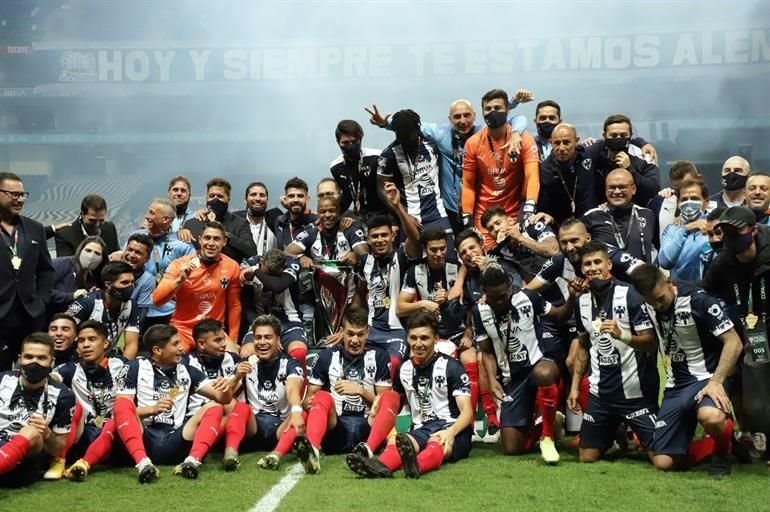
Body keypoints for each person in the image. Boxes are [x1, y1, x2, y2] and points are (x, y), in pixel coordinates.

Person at [631, 264, 742, 477]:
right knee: (663, 462)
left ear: (670, 283)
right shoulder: (648, 306)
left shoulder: (699, 300)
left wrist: (717, 381)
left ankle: (722, 452)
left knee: (710, 416)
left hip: (708, 378)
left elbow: (734, 342)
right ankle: (723, 440)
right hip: (676, 386)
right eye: (651, 301)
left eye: (660, 298)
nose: (658, 304)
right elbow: (652, 342)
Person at [368, 93, 529, 234]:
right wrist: (385, 123)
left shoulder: (484, 133)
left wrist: (515, 132)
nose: (463, 121)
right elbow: (410, 125)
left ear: (474, 116)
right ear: (449, 119)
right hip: (450, 209)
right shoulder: (441, 134)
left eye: (467, 115)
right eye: (457, 117)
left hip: (479, 206)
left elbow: (518, 118)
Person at [346, 312, 473, 479]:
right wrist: (380, 401)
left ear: (435, 339)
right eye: (413, 338)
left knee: (436, 442)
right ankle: (379, 466)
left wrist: (451, 432)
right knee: (396, 439)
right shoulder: (404, 369)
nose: (418, 344)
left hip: (451, 428)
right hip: (422, 428)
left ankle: (416, 466)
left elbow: (467, 412)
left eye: (424, 338)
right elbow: (393, 408)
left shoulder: (452, 367)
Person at [474, 262, 578, 464]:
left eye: (504, 295)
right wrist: (492, 380)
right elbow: (486, 351)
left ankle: (547, 437)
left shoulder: (528, 298)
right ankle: (544, 425)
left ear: (509, 286)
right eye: (494, 297)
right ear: (484, 292)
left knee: (544, 374)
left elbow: (560, 315)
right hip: (512, 378)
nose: (500, 301)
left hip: (540, 363)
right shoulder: (479, 312)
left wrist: (572, 297)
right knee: (511, 448)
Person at [566, 241, 659, 463]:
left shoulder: (630, 295)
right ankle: (614, 436)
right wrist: (574, 388)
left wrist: (622, 335)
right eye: (587, 264)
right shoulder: (582, 302)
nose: (592, 267)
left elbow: (651, 343)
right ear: (581, 269)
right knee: (586, 457)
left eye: (597, 262)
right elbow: (583, 347)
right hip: (601, 396)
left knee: (663, 459)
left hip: (635, 396)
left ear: (609, 264)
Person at [112, 324, 235, 482]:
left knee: (215, 407)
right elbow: (122, 411)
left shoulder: (187, 371)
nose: (182, 348)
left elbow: (223, 398)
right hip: (145, 437)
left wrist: (225, 388)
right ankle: (143, 463)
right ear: (157, 350)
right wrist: (152, 409)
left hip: (175, 440)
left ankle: (191, 462)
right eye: (175, 344)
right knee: (121, 403)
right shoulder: (133, 368)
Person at [294, 307, 399, 474]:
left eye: (360, 334)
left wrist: (361, 391)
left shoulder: (379, 357)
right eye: (350, 334)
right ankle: (312, 451)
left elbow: (385, 403)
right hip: (337, 428)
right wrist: (312, 403)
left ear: (367, 333)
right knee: (322, 395)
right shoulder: (326, 357)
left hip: (367, 427)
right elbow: (308, 400)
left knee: (391, 396)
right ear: (342, 332)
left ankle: (367, 451)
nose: (355, 340)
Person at [219, 315, 305, 471]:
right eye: (258, 338)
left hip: (280, 428)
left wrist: (297, 411)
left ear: (278, 340)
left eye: (268, 337)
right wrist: (236, 377)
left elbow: (293, 388)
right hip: (253, 428)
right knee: (240, 407)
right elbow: (223, 398)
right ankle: (230, 453)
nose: (262, 342)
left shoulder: (290, 363)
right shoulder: (245, 363)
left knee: (301, 413)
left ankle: (276, 455)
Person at [355, 184, 422, 370]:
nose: (379, 240)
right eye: (374, 236)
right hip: (370, 330)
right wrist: (347, 326)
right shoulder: (364, 262)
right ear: (368, 239)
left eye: (384, 235)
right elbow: (359, 295)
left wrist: (398, 206)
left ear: (393, 236)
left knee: (390, 367)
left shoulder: (401, 256)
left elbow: (415, 238)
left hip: (396, 331)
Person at [462, 89, 540, 248]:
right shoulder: (473, 143)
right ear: (482, 112)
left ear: (507, 110)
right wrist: (466, 216)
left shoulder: (523, 138)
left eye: (497, 108)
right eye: (488, 109)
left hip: (514, 211)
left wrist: (529, 208)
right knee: (489, 264)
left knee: (522, 258)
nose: (492, 112)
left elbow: (533, 176)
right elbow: (468, 184)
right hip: (485, 217)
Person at [53, 321, 128, 481]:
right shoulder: (71, 369)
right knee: (73, 406)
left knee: (121, 413)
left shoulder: (121, 366)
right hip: (84, 434)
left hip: (115, 433)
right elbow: (49, 379)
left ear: (105, 343)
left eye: (92, 339)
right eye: (81, 341)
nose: (86, 345)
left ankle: (85, 463)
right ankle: (59, 461)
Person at [152, 221, 242, 353]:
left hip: (214, 332)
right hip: (183, 329)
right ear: (200, 240)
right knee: (171, 356)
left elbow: (234, 305)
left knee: (233, 356)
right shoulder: (180, 265)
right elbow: (157, 300)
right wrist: (180, 280)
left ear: (224, 242)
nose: (211, 243)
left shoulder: (232, 266)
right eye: (207, 238)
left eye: (216, 239)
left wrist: (233, 340)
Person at [0, 333, 75, 487]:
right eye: (29, 357)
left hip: (22, 464)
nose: (34, 363)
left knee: (32, 432)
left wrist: (47, 434)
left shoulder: (63, 396)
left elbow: (58, 449)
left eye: (41, 358)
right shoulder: (2, 380)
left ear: (51, 362)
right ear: (20, 359)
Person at [0, 172, 55, 371]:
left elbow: (46, 270)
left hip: (29, 315)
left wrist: (41, 301)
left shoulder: (35, 229)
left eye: (23, 195)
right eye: (13, 194)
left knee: (33, 372)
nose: (20, 199)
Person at [376, 109, 453, 238]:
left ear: (417, 130)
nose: (407, 141)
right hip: (410, 219)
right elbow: (382, 190)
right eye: (402, 137)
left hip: (438, 215)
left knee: (447, 257)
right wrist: (404, 215)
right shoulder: (388, 155)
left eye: (410, 137)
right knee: (413, 258)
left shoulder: (432, 145)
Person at [130, 199, 196, 329]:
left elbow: (194, 276)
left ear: (165, 219)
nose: (146, 216)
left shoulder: (183, 244)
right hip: (136, 305)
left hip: (167, 311)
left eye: (152, 213)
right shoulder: (135, 237)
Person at [65, 261, 141, 359]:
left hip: (108, 358)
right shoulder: (86, 302)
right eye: (124, 282)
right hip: (80, 358)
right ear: (108, 284)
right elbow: (62, 329)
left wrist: (123, 369)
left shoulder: (132, 305)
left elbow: (131, 344)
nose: (130, 287)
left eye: (132, 282)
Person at [582, 114, 661, 208]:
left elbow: (653, 189)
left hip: (638, 213)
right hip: (600, 213)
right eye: (614, 135)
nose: (618, 138)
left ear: (631, 136)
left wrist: (630, 169)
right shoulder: (595, 153)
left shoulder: (644, 155)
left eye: (623, 135)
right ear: (604, 136)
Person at [582, 168, 657, 263]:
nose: (617, 191)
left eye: (622, 187)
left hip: (643, 276)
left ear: (633, 189)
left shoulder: (648, 215)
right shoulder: (592, 216)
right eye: (612, 187)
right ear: (606, 190)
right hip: (604, 277)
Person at [537, 124, 600, 225]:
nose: (561, 148)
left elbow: (611, 144)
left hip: (592, 222)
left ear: (576, 141)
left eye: (566, 142)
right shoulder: (544, 169)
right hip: (561, 226)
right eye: (557, 143)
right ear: (551, 143)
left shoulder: (589, 153)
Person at [182, 177, 256, 263]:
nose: (215, 199)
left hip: (230, 274)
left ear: (228, 198)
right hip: (197, 274)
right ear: (206, 198)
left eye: (220, 196)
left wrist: (227, 236)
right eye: (211, 196)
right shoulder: (191, 224)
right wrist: (180, 232)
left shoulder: (240, 223)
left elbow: (251, 252)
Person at [481, 204, 559, 282]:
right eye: (491, 229)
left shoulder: (532, 224)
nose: (496, 229)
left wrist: (520, 238)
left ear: (510, 220)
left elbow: (554, 250)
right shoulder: (500, 250)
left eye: (498, 223)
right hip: (542, 285)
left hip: (561, 275)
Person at [329, 120, 388, 222]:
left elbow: (389, 190)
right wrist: (331, 214)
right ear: (338, 142)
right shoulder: (336, 167)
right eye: (345, 143)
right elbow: (348, 194)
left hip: (385, 214)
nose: (351, 146)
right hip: (361, 216)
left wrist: (394, 221)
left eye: (355, 141)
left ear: (361, 139)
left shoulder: (376, 157)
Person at [285, 195, 368, 266]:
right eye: (322, 212)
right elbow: (286, 252)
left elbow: (365, 254)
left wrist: (356, 255)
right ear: (318, 213)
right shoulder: (311, 231)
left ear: (339, 212)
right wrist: (301, 258)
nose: (327, 215)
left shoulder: (349, 228)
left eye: (332, 211)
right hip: (320, 281)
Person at [658, 178, 713, 282]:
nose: (689, 203)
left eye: (694, 198)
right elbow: (665, 262)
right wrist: (686, 229)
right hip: (681, 294)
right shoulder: (671, 229)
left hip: (709, 293)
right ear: (678, 203)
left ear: (706, 202)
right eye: (684, 199)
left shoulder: (714, 228)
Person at [647, 160, 703, 241]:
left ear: (699, 178)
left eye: (688, 185)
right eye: (678, 188)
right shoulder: (659, 203)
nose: (683, 192)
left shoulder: (712, 205)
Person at [50, 236, 107, 314]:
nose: (91, 256)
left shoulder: (93, 280)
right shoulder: (63, 263)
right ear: (80, 250)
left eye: (97, 253)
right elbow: (41, 291)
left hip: (67, 320)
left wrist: (89, 298)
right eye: (88, 250)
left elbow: (72, 311)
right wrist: (71, 296)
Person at [53, 194, 120, 257]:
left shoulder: (109, 228)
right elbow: (67, 266)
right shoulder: (64, 235)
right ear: (82, 214)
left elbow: (116, 256)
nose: (97, 224)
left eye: (101, 220)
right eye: (92, 220)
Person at [232, 182, 278, 258]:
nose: (258, 198)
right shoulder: (235, 220)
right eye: (253, 194)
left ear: (267, 200)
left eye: (262, 195)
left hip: (270, 268)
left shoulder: (275, 219)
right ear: (245, 200)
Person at [273, 177, 318, 250]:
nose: (296, 200)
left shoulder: (316, 222)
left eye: (300, 196)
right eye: (291, 196)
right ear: (286, 199)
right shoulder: (280, 222)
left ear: (307, 199)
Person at [121, 233, 156, 320]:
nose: (132, 255)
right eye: (129, 250)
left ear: (147, 259)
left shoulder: (148, 280)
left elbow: (139, 317)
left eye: (138, 252)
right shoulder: (110, 268)